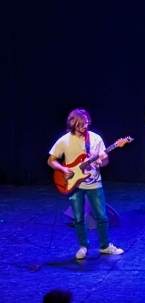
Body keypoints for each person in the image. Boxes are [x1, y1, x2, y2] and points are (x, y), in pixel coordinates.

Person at [48, 108, 125, 260]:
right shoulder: (64, 140)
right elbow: (51, 160)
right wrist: (63, 169)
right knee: (78, 218)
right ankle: (83, 246)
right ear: (73, 124)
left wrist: (101, 161)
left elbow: (105, 161)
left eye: (86, 123)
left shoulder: (96, 138)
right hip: (74, 185)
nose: (85, 126)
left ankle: (105, 246)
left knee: (102, 216)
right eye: (81, 124)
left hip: (94, 184)